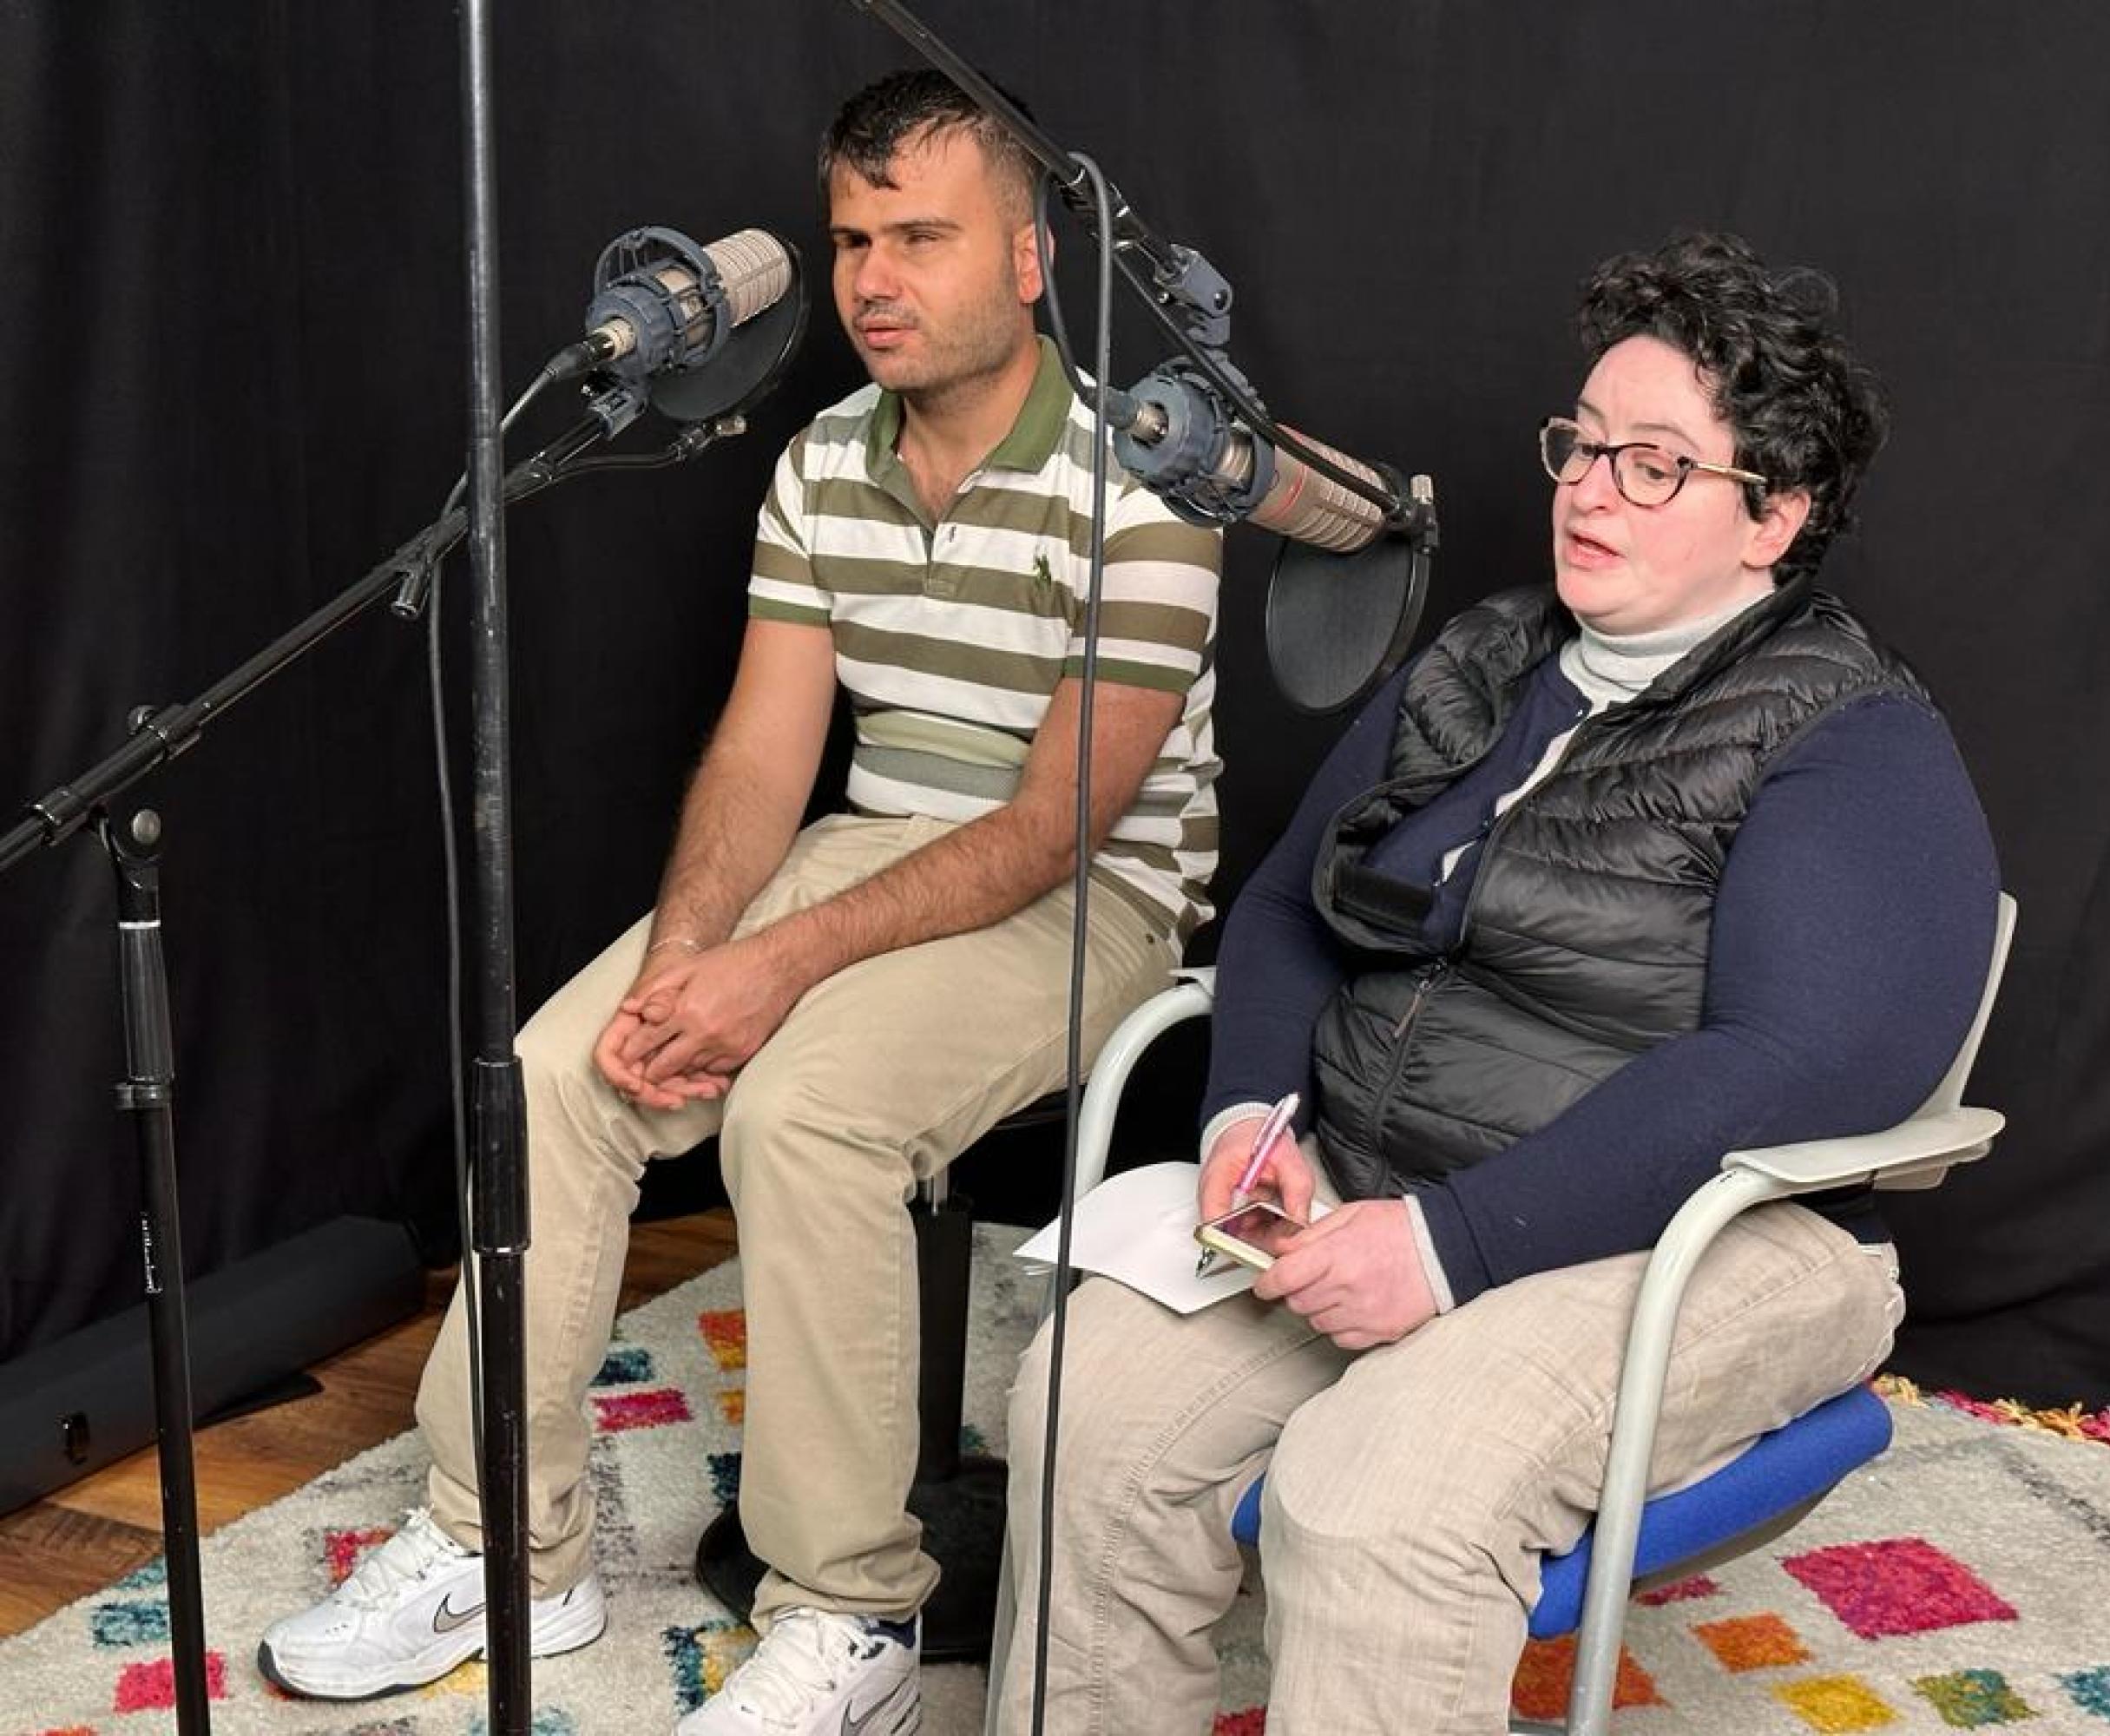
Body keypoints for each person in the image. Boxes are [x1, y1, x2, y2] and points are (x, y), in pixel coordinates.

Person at [257, 69, 1224, 1736]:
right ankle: (507, 1545)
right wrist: (693, 960)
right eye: (852, 241)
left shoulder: (1152, 480)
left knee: (804, 1115)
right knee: (563, 1068)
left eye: (920, 237)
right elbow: (766, 760)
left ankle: (853, 1614)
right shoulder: (821, 462)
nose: (872, 280)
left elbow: (1047, 834)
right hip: (869, 845)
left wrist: (771, 977)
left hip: (1097, 898)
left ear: (1028, 260)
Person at [996, 232, 2000, 1735]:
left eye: (1655, 464)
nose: (1591, 489)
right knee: (1090, 1415)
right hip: (1382, 1186)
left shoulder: (1852, 738)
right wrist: (1251, 1118)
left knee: (1373, 1500)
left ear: (1774, 516)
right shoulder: (1483, 660)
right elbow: (1288, 904)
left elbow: (1800, 1065)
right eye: (1582, 444)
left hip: (1708, 1240)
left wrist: (1450, 1246)